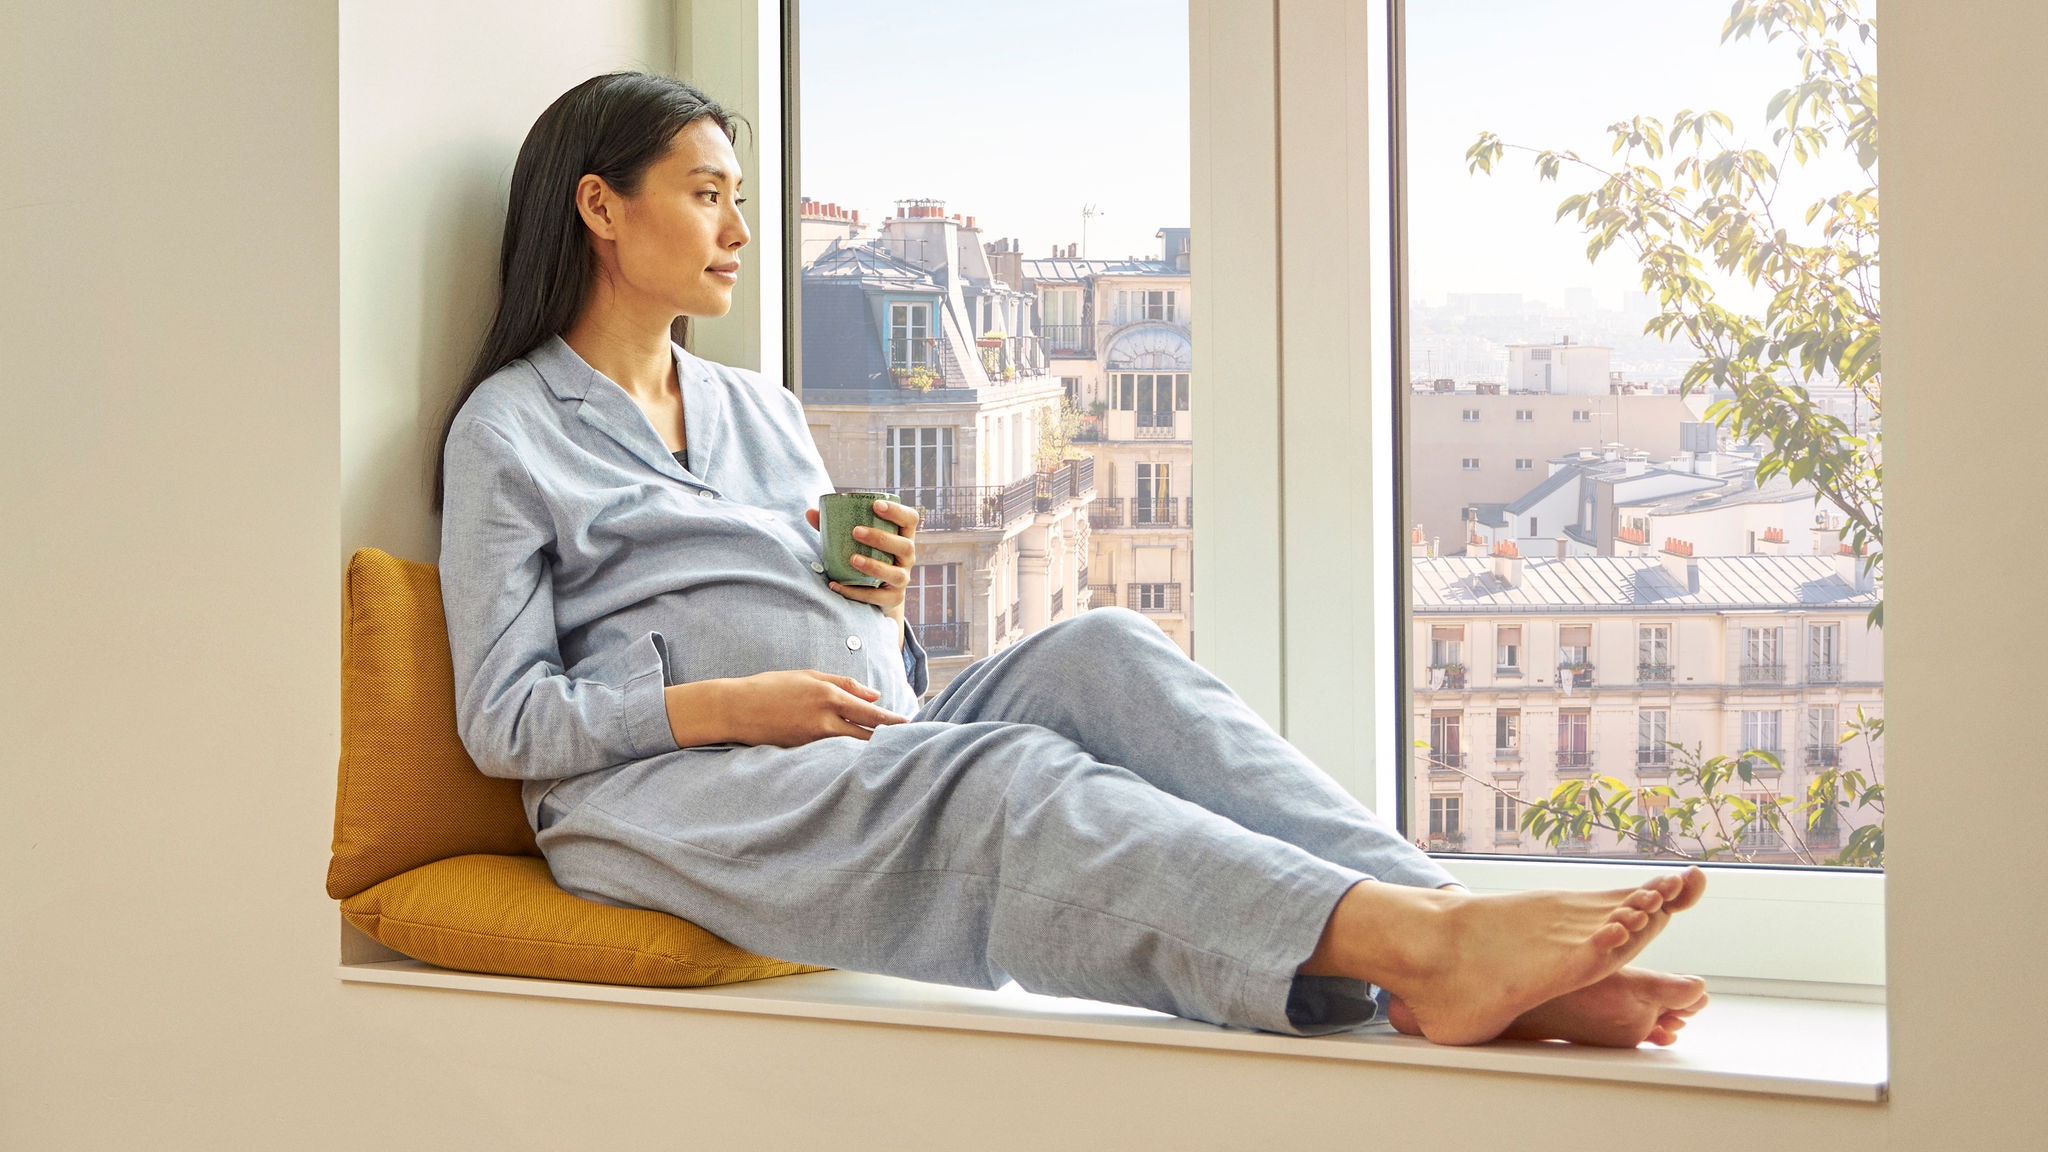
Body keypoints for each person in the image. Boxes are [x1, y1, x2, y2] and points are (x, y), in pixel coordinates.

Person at [435, 72, 1711, 1047]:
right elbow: (501, 722)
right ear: (601, 206)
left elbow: (858, 640)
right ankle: (1417, 950)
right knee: (1006, 777)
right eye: (705, 193)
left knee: (1107, 646)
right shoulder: (509, 429)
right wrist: (728, 705)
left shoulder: (756, 407)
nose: (737, 231)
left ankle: (1461, 936)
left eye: (739, 199)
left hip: (851, 732)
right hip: (677, 795)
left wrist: (876, 610)